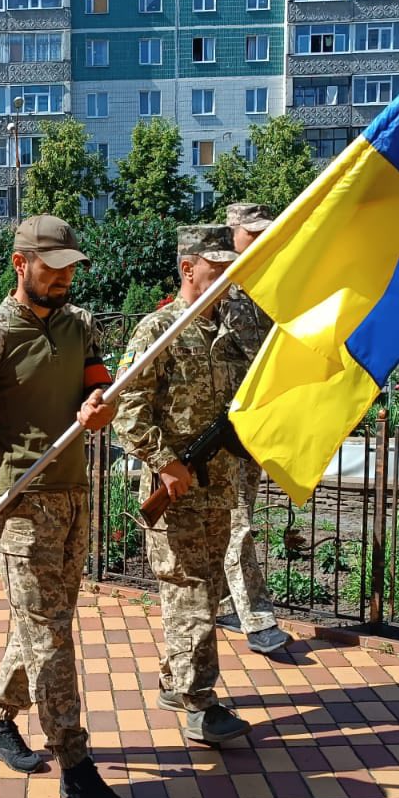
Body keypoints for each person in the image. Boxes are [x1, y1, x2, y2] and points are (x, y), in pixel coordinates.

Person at [0, 214, 125, 798]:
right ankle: (75, 762)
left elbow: (98, 383)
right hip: (22, 507)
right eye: (54, 267)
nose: (65, 277)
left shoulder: (80, 325)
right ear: (22, 264)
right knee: (50, 638)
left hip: (75, 496)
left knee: (47, 623)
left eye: (72, 267)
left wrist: (99, 406)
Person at [113, 226, 262, 745]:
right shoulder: (159, 330)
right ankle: (200, 704)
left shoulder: (228, 337)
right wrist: (165, 462)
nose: (224, 281)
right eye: (215, 271)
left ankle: (173, 681)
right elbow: (126, 408)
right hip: (174, 492)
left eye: (228, 272)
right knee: (190, 594)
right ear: (187, 268)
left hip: (217, 490)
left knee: (205, 592)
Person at [219, 203, 291, 653]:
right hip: (217, 428)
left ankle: (222, 601)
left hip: (253, 423)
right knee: (237, 521)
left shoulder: (271, 288)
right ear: (232, 236)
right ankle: (257, 617)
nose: (263, 240)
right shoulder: (215, 292)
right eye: (254, 233)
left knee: (230, 518)